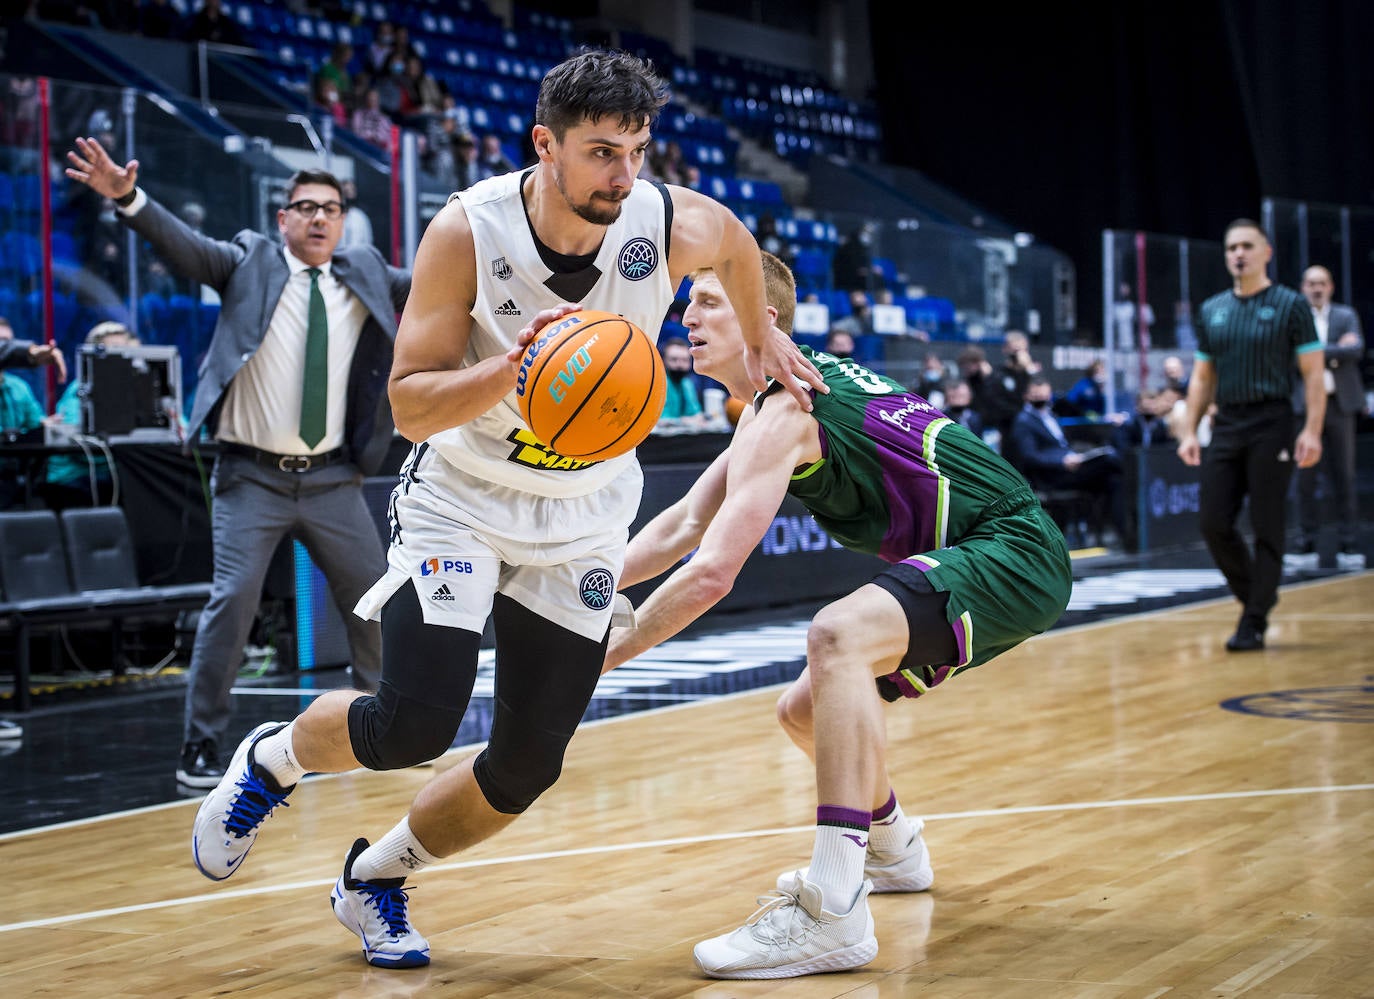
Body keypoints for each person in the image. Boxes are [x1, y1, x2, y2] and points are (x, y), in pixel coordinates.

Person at [177, 49, 825, 971]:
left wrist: (763, 331)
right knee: (414, 723)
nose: (624, 174)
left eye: (637, 150)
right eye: (602, 152)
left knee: (527, 763)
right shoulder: (468, 231)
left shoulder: (663, 221)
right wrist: (508, 370)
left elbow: (730, 240)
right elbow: (408, 403)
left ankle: (376, 878)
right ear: (544, 145)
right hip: (464, 502)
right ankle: (274, 759)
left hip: (585, 515)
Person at [602, 251, 1072, 979]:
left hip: (1012, 546)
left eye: (711, 304)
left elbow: (711, 573)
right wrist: (585, 582)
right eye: (687, 303)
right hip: (997, 549)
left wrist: (597, 657)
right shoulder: (782, 395)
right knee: (802, 711)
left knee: (837, 634)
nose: (687, 316)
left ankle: (834, 904)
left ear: (767, 321)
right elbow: (682, 525)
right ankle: (893, 848)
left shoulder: (785, 409)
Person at [65, 140, 412, 785]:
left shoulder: (365, 269)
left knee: (372, 602)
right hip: (252, 477)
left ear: (342, 220)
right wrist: (127, 199)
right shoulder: (250, 259)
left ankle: (380, 728)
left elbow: (438, 280)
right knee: (233, 603)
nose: (317, 219)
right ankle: (200, 742)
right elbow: (186, 246)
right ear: (283, 219)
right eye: (304, 208)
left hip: (334, 477)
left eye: (329, 209)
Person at [1175, 219, 1324, 651]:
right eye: (1231, 247)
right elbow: (1202, 378)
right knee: (1212, 522)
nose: (1238, 253)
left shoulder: (1291, 306)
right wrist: (1189, 430)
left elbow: (1313, 376)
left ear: (1266, 252)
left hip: (1272, 421)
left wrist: (1311, 430)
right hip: (1227, 423)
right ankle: (1257, 595)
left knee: (1267, 523)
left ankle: (1253, 620)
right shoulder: (1213, 309)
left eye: (1246, 246)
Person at [1286, 265, 1365, 570]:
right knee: (1304, 478)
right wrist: (1333, 352)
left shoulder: (1346, 316)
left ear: (1330, 286)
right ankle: (1306, 545)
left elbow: (1355, 349)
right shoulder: (1295, 318)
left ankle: (1349, 545)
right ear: (1303, 287)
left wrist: (1314, 353)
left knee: (1344, 475)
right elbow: (1289, 356)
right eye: (1311, 283)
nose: (1316, 288)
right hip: (1304, 409)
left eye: (1322, 283)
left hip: (1340, 406)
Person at [1010, 375, 1125, 545]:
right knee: (1109, 462)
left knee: (1113, 480)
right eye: (1036, 395)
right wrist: (1062, 461)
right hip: (1051, 475)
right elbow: (1030, 456)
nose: (1041, 398)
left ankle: (1120, 534)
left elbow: (1062, 445)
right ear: (1026, 396)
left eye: (1044, 395)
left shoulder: (1051, 416)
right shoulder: (1023, 421)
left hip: (1072, 468)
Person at [41, 320, 141, 511]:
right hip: (73, 481)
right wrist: (123, 453)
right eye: (112, 350)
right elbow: (78, 442)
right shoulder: (79, 389)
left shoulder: (128, 390)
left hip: (111, 475)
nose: (118, 356)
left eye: (123, 350)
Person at [0, 316, 49, 509]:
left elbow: (34, 423)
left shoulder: (19, 387)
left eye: (9, 342)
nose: (6, 348)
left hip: (15, 476)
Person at [0, 315, 68, 380]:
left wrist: (31, 353)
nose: (7, 346)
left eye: (10, 342)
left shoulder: (19, 387)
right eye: (2, 342)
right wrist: (30, 352)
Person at [658, 335, 705, 427]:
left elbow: (698, 416)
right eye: (674, 359)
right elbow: (660, 422)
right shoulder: (659, 384)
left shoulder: (687, 384)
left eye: (684, 360)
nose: (679, 364)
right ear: (664, 361)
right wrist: (686, 421)